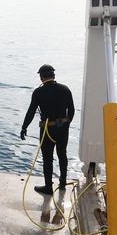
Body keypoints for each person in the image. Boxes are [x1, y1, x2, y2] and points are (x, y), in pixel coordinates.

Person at [20, 64, 75, 194]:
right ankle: (62, 183)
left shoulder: (38, 92)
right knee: (62, 154)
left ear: (41, 77)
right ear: (54, 75)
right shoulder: (65, 89)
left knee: (47, 158)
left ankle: (48, 187)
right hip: (62, 128)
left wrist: (24, 127)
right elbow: (71, 110)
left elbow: (31, 112)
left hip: (47, 130)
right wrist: (67, 123)